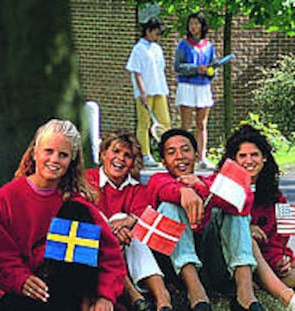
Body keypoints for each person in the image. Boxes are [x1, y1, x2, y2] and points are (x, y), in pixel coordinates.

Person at [0, 119, 126, 311]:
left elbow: (110, 257)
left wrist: (105, 297)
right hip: (27, 289)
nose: (54, 160)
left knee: (75, 212)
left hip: (69, 290)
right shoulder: (7, 197)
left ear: (71, 161)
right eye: (48, 151)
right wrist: (22, 280)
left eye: (63, 155)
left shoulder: (78, 202)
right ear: (35, 153)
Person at [147, 128, 264, 311]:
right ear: (164, 161)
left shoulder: (212, 180)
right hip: (177, 272)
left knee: (233, 207)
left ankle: (245, 293)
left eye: (186, 150)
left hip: (215, 263)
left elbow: (245, 200)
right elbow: (162, 189)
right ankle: (196, 293)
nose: (180, 156)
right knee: (168, 207)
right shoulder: (158, 179)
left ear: (196, 155)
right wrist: (183, 192)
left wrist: (201, 188)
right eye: (171, 152)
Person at [85, 131, 171, 311]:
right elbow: (84, 213)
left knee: (134, 229)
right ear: (103, 154)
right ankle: (134, 297)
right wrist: (112, 230)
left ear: (133, 162)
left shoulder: (137, 188)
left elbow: (142, 212)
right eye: (115, 151)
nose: (120, 159)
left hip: (128, 249)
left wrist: (129, 221)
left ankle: (163, 299)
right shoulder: (87, 180)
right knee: (117, 220)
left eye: (128, 155)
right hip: (93, 248)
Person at [220, 124, 295, 310]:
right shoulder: (223, 189)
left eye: (254, 154)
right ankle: (289, 299)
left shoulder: (277, 196)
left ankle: (263, 281)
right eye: (242, 156)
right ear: (233, 160)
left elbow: (283, 239)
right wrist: (247, 229)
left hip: (267, 262)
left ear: (264, 159)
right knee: (248, 239)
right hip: (227, 263)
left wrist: (283, 260)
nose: (249, 160)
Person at [125, 17, 171, 167]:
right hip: (145, 93)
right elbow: (136, 72)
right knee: (144, 124)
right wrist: (142, 92)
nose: (157, 37)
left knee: (165, 123)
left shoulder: (157, 48)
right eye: (156, 33)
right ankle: (145, 154)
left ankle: (166, 153)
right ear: (148, 31)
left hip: (159, 90)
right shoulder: (138, 49)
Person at [174, 11, 216, 170]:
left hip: (204, 87)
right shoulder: (183, 45)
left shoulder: (209, 46)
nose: (193, 27)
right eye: (191, 24)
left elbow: (213, 68)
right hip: (187, 86)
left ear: (202, 26)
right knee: (186, 125)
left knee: (201, 124)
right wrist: (195, 69)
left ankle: (202, 157)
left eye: (197, 23)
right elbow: (178, 67)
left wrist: (210, 71)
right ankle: (183, 157)